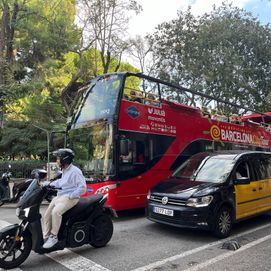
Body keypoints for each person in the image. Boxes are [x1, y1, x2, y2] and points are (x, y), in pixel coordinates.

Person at [43, 148, 86, 249]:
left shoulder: (75, 171)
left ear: (65, 160)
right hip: (60, 196)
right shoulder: (65, 170)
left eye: (58, 158)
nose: (57, 161)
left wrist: (70, 195)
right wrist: (49, 184)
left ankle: (53, 237)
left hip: (70, 197)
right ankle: (45, 237)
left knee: (56, 212)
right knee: (47, 215)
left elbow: (83, 188)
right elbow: (62, 182)